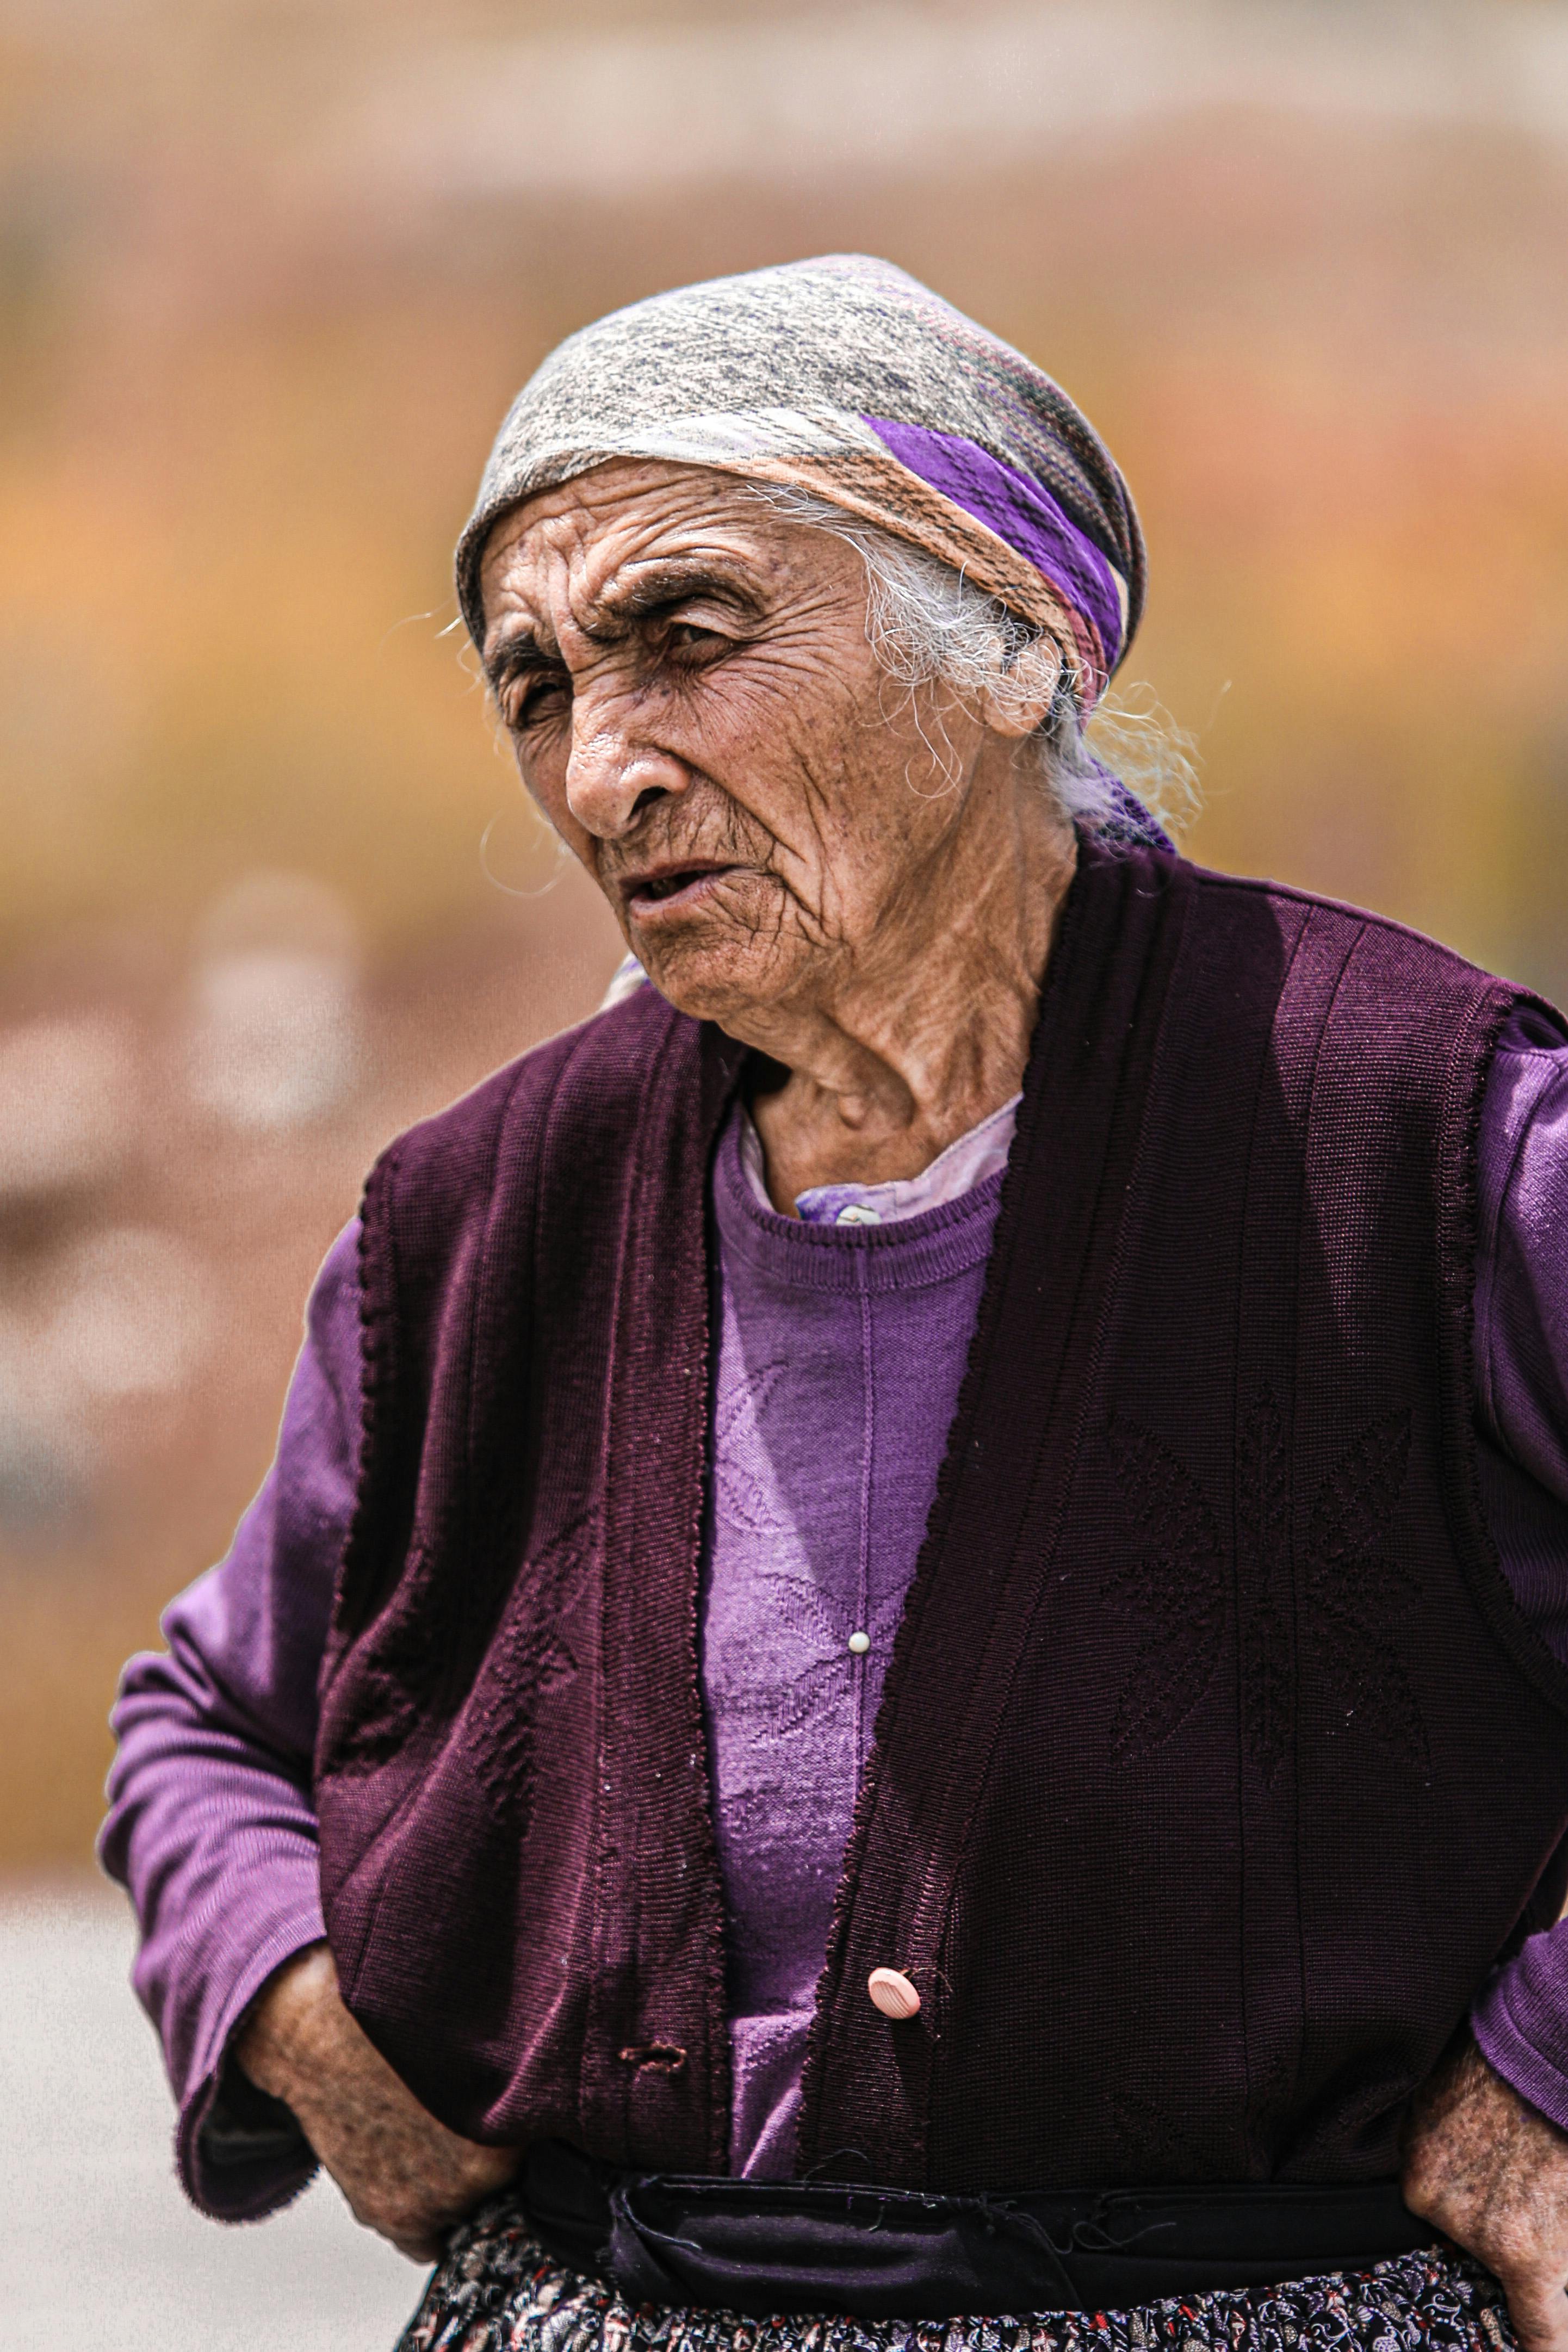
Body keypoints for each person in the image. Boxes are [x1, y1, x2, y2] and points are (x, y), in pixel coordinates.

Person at [103, 256, 1568, 2352]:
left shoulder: (1418, 1129)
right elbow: (206, 1722)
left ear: (1011, 640)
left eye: (683, 637)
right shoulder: (479, 1211)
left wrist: (1543, 2075)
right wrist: (297, 2010)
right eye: (535, 687)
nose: (602, 769)